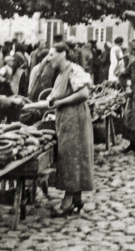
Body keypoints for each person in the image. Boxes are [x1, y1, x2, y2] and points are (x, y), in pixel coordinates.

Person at [24, 43, 94, 217]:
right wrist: (27, 105)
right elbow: (50, 102)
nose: (49, 58)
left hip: (76, 118)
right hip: (65, 119)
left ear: (63, 54)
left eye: (52, 54)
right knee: (70, 155)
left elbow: (84, 94)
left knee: (72, 157)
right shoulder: (60, 75)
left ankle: (67, 202)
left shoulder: (74, 70)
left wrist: (61, 103)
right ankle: (76, 198)